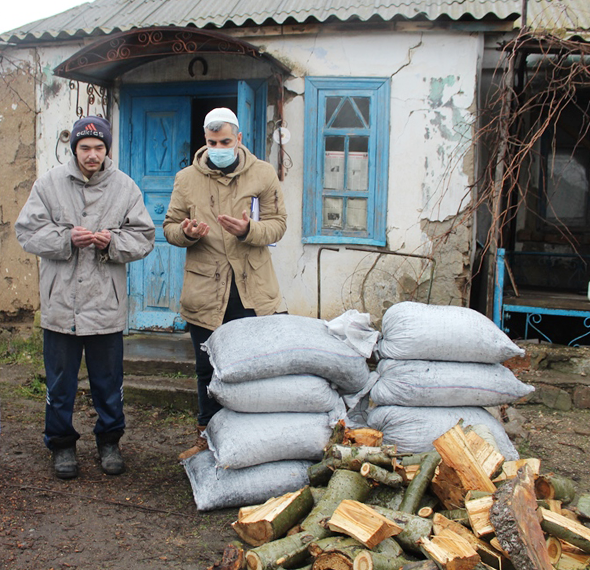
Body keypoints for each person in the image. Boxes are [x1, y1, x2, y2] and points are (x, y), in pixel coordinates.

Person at [15, 116, 155, 479]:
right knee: (60, 383)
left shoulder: (125, 187)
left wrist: (113, 242)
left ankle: (109, 441)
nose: (92, 155)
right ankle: (61, 445)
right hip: (61, 303)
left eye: (99, 148)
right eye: (85, 148)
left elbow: (143, 237)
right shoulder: (49, 184)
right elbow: (27, 231)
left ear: (107, 150)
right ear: (74, 149)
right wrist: (65, 240)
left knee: (108, 381)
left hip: (105, 304)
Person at [163, 107, 287, 434]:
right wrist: (186, 232)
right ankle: (208, 436)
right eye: (212, 142)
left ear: (239, 139)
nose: (218, 149)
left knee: (252, 369)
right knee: (207, 369)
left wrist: (249, 231)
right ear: (204, 140)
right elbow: (170, 228)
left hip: (252, 291)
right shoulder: (186, 179)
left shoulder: (262, 173)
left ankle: (250, 437)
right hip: (205, 292)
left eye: (225, 142)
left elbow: (278, 225)